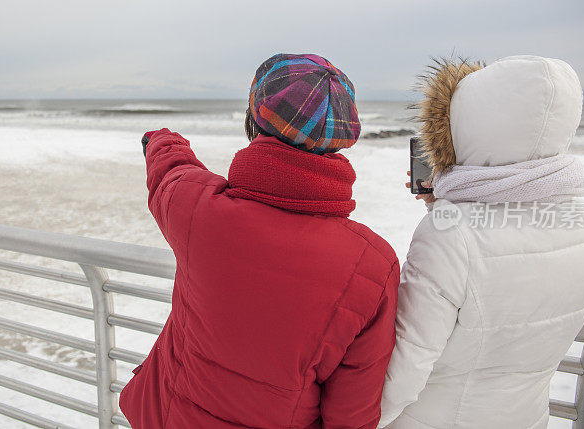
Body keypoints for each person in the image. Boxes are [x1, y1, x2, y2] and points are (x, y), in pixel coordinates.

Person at [120, 53, 400, 428]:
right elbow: (352, 413)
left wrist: (161, 140)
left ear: (254, 120)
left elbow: (172, 174)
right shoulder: (373, 264)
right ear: (340, 140)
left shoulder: (198, 209)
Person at [379, 55, 584, 428]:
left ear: (467, 125)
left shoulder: (450, 236)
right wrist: (446, 208)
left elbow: (407, 366)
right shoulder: (582, 222)